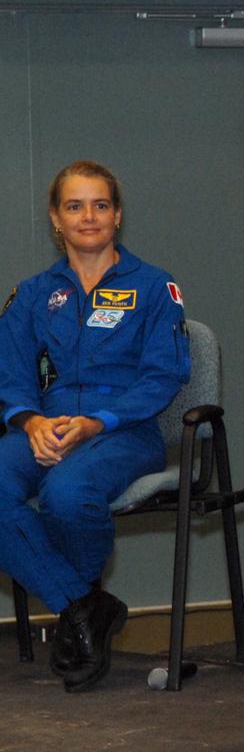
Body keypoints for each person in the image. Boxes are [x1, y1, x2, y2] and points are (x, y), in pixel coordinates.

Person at [0, 161, 190, 692]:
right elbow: (10, 374)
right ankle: (83, 608)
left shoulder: (154, 286)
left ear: (118, 216)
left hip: (123, 430)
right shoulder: (34, 293)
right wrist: (32, 420)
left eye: (100, 205)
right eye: (75, 205)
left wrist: (95, 423)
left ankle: (75, 613)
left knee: (67, 492)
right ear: (56, 219)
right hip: (48, 424)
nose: (89, 216)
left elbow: (162, 377)